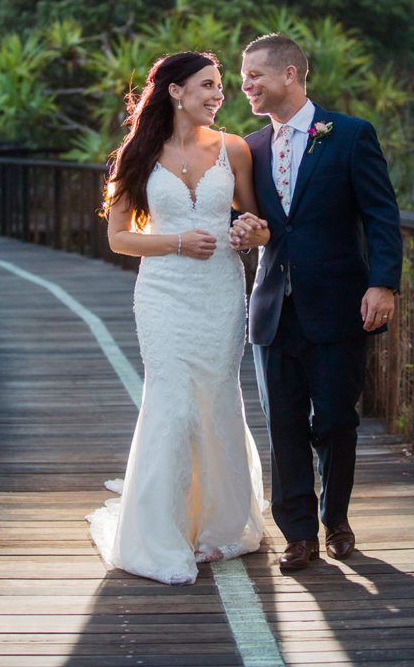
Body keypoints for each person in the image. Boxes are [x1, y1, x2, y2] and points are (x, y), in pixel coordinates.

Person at [87, 51, 267, 585]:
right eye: (208, 85)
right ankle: (160, 533)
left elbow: (256, 221)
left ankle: (220, 527)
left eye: (220, 87)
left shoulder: (233, 149)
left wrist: (250, 232)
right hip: (164, 293)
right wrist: (177, 242)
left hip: (220, 293)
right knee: (172, 402)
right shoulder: (136, 156)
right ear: (174, 90)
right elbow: (119, 238)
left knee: (215, 399)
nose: (219, 95)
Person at [230, 33, 402, 572]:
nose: (246, 84)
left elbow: (380, 215)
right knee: (282, 424)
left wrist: (384, 283)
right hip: (272, 307)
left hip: (339, 303)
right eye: (243, 76)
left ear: (290, 74)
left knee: (334, 421)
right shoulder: (249, 148)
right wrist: (245, 228)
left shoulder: (349, 134)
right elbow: (249, 217)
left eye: (255, 74)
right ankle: (298, 534)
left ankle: (338, 519)